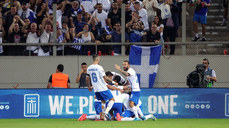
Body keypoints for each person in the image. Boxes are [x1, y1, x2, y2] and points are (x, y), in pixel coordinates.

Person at [86, 54, 117, 120]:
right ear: (97, 59)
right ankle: (105, 113)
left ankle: (103, 116)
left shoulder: (89, 68)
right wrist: (113, 82)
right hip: (102, 87)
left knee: (103, 101)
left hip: (96, 89)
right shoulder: (99, 67)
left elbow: (87, 78)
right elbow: (105, 77)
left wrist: (88, 86)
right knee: (112, 100)